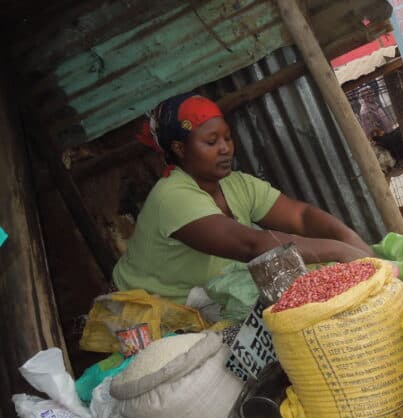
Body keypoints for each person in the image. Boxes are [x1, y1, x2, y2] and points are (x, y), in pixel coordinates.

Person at [114, 93, 373, 303]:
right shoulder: (172, 197)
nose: (225, 148)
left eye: (227, 138)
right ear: (180, 149)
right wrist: (340, 251)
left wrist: (350, 239)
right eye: (211, 141)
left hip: (207, 298)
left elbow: (301, 217)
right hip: (160, 314)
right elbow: (252, 246)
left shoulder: (236, 184)